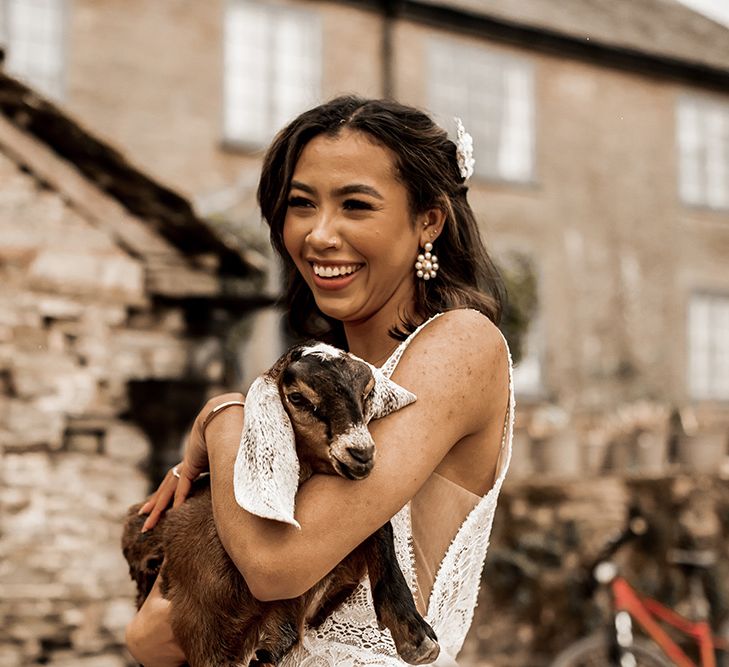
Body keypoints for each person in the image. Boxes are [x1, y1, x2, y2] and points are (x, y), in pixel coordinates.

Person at [125, 95, 514, 667]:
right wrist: (150, 638)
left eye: (356, 205)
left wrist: (222, 417)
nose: (319, 235)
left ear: (429, 220)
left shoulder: (462, 345)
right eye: (301, 204)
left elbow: (275, 565)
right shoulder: (326, 377)